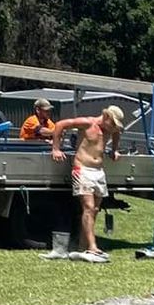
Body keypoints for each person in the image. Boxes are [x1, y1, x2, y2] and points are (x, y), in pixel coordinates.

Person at [50, 104, 126, 263]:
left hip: (99, 172)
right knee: (88, 207)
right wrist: (56, 148)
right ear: (106, 117)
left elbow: (117, 133)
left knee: (95, 210)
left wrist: (115, 149)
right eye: (113, 124)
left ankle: (81, 247)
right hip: (82, 169)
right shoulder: (87, 123)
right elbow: (60, 125)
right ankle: (92, 247)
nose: (113, 129)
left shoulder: (109, 130)